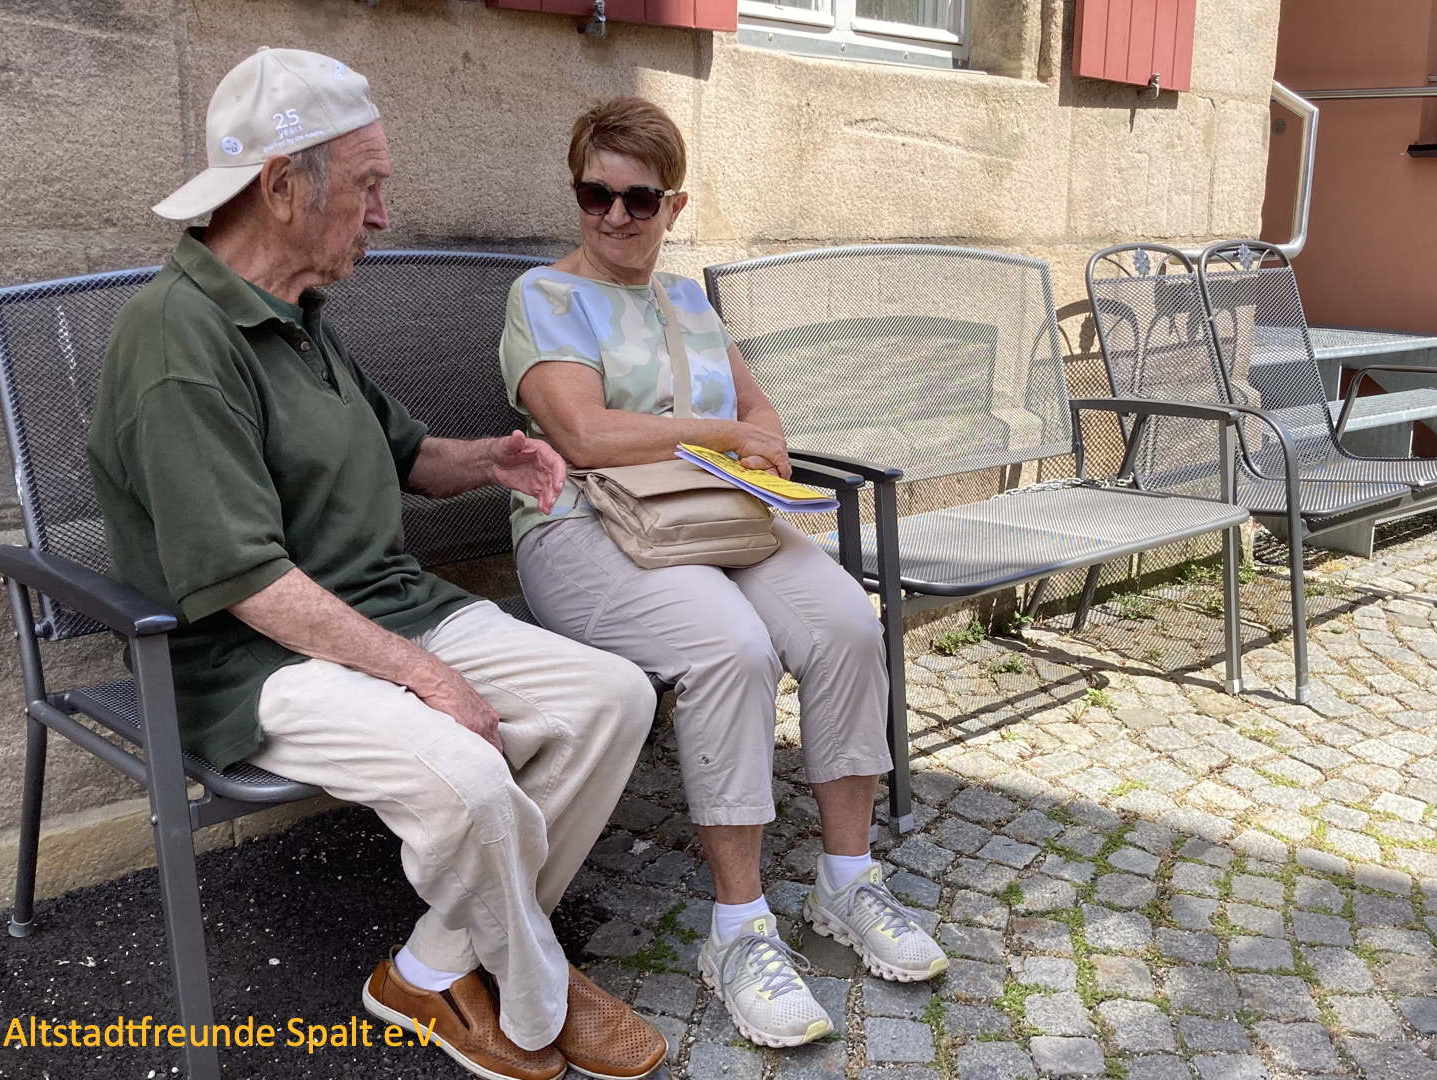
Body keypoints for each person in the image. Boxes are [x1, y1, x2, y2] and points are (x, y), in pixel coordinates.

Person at [86, 49, 666, 1080]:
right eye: (368, 187)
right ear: (281, 187)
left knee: (612, 697)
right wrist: (427, 676)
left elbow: (407, 454)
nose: (383, 216)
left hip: (385, 607)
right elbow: (247, 582)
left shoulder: (299, 313)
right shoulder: (178, 342)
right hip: (252, 661)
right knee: (469, 779)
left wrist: (490, 458)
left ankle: (434, 967)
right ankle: (538, 991)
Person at [498, 97, 949, 1049]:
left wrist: (762, 444)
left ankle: (847, 881)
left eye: (639, 199)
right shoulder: (545, 296)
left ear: (673, 205)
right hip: (584, 529)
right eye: (594, 194)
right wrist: (719, 435)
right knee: (732, 649)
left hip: (710, 519)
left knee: (844, 623)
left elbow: (760, 413)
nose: (614, 216)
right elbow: (584, 435)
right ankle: (739, 929)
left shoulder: (689, 301)